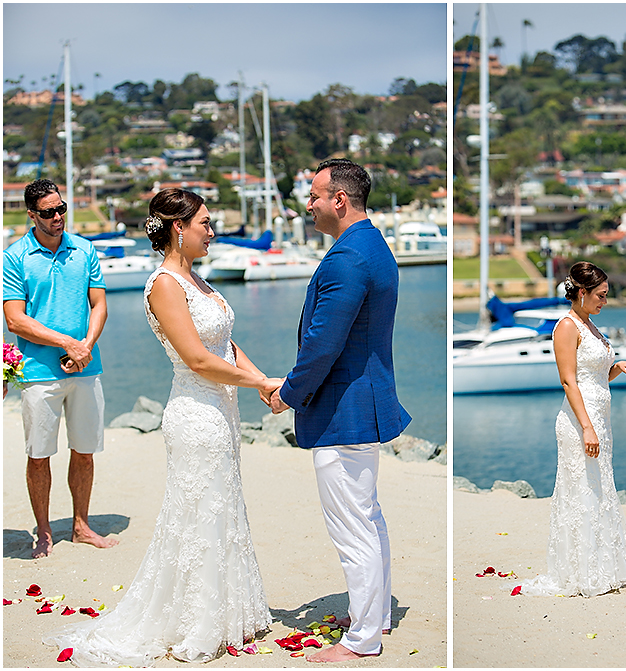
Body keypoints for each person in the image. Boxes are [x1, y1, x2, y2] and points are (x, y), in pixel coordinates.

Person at [44, 188, 282, 666]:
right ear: (179, 227)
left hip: (223, 411)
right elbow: (196, 359)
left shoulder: (197, 281)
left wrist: (261, 384)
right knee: (197, 515)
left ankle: (225, 612)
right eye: (206, 224)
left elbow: (225, 346)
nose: (213, 233)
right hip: (195, 415)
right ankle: (197, 622)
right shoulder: (166, 285)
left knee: (221, 510)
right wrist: (260, 380)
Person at [269, 159, 412, 662]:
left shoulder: (347, 259)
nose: (307, 205)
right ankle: (374, 616)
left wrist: (288, 393)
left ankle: (362, 641)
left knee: (352, 526)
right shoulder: (370, 245)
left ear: (339, 200)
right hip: (360, 403)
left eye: (313, 195)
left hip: (343, 409)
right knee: (366, 517)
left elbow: (323, 343)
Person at [3, 178, 116, 559]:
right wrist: (66, 343)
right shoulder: (15, 256)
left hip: (86, 366)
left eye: (61, 208)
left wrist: (83, 347)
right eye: (48, 212)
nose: (58, 217)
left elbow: (99, 306)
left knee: (84, 451)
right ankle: (45, 532)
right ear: (32, 215)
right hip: (37, 371)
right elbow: (15, 321)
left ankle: (81, 525)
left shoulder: (84, 249)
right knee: (39, 455)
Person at [519, 261, 626, 597]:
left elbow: (596, 376)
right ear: (581, 292)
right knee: (582, 492)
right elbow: (568, 380)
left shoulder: (590, 325)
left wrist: (619, 366)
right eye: (601, 295)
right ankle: (580, 571)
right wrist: (587, 427)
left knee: (600, 489)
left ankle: (602, 566)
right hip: (579, 423)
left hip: (599, 420)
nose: (605, 301)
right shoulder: (567, 326)